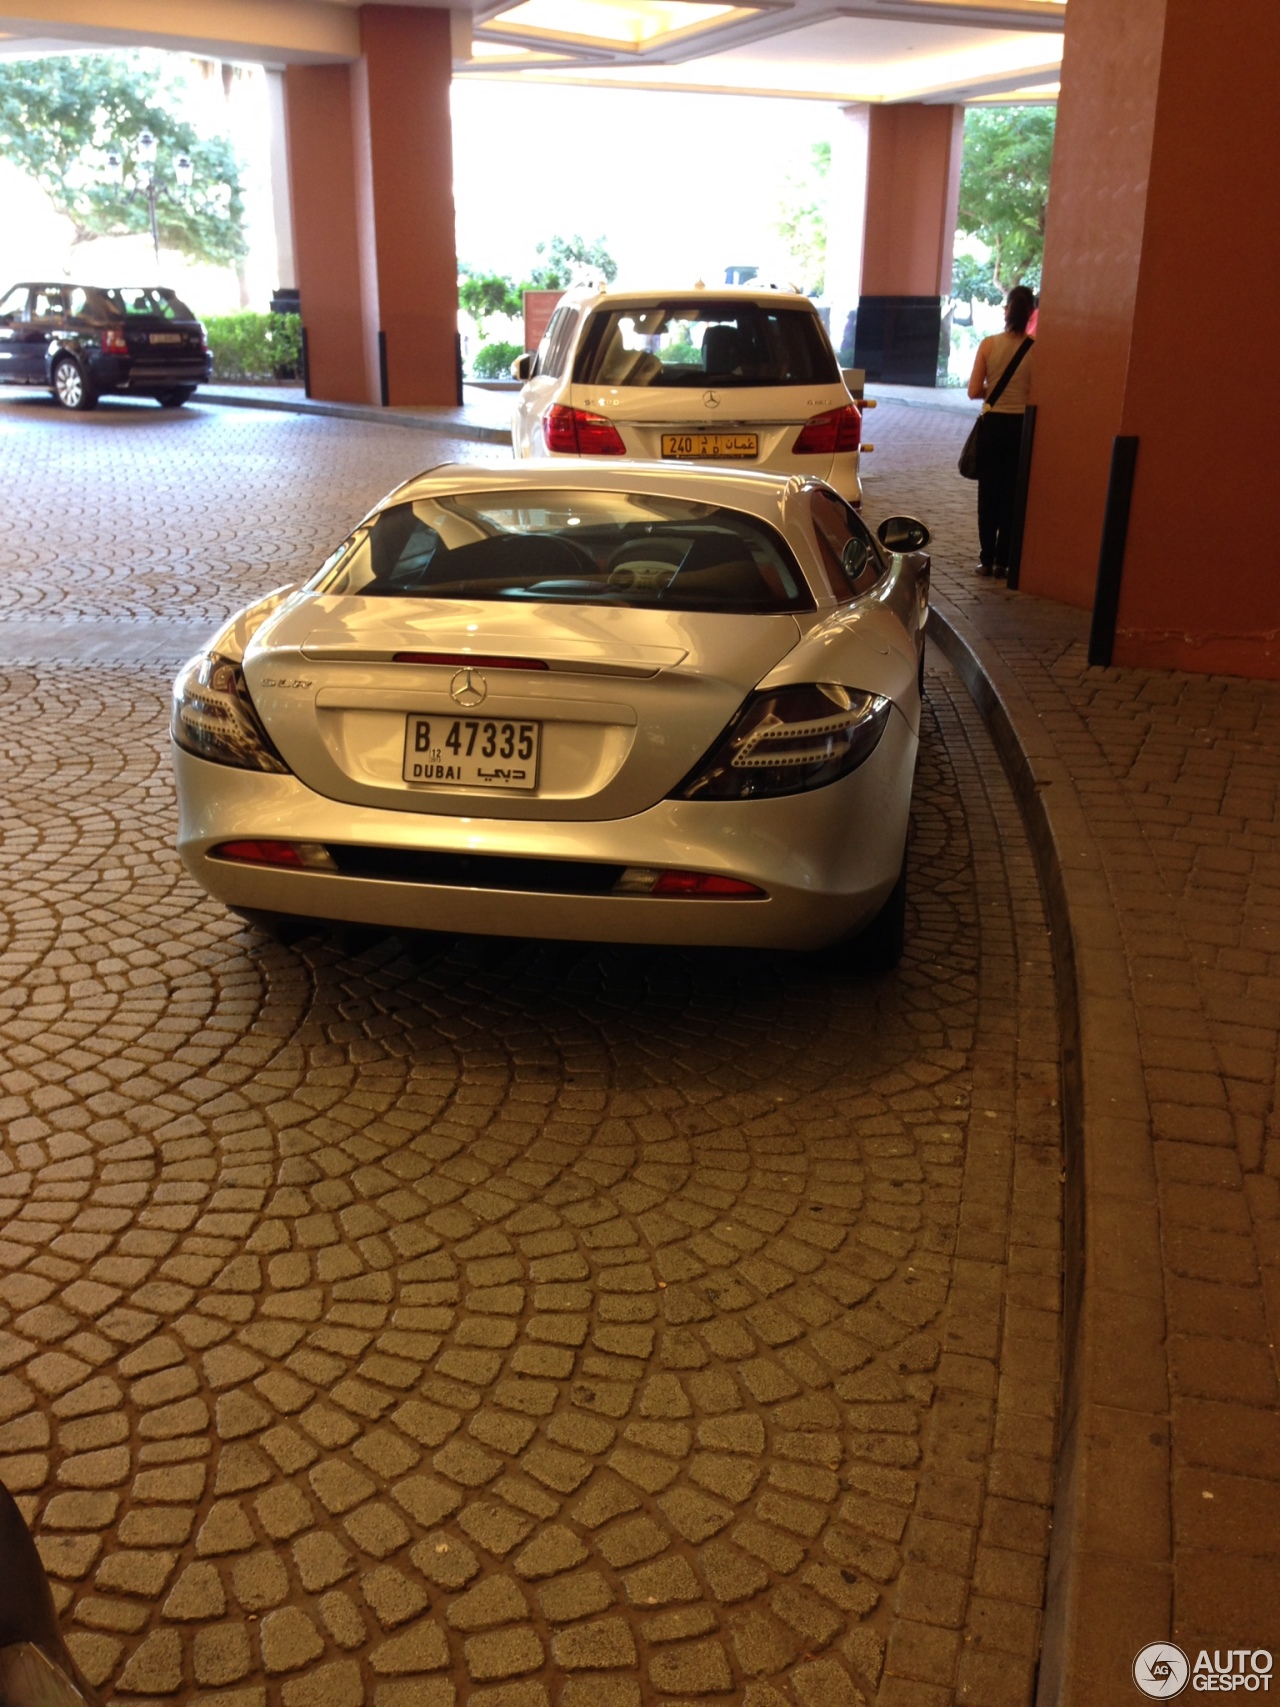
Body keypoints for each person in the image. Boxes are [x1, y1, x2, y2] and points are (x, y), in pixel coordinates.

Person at [967, 285, 1036, 576]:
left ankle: (986, 558)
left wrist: (992, 391)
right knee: (1011, 493)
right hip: (1021, 428)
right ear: (1030, 313)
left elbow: (973, 391)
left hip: (993, 427)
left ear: (1007, 311)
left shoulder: (988, 345)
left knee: (989, 493)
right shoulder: (1036, 348)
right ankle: (1005, 561)